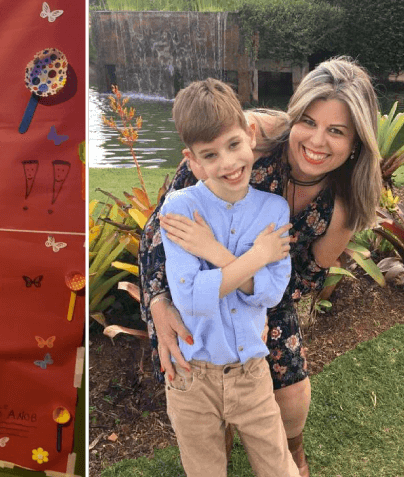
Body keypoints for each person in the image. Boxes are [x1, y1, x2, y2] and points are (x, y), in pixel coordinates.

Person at [139, 57, 383, 477]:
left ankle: (292, 452)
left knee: (291, 394)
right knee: (188, 347)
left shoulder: (342, 204)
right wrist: (158, 304)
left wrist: (238, 279)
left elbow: (298, 283)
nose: (317, 141)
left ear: (357, 142)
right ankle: (220, 428)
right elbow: (159, 231)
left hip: (271, 290)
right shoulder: (242, 138)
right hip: (197, 280)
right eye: (308, 121)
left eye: (336, 131)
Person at [159, 78, 298, 476]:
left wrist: (214, 254)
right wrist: (257, 256)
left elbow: (271, 294)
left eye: (234, 145)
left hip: (251, 374)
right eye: (210, 154)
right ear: (193, 161)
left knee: (278, 466)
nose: (227, 163)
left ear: (250, 136)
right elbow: (190, 300)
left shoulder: (273, 211)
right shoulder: (181, 207)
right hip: (192, 378)